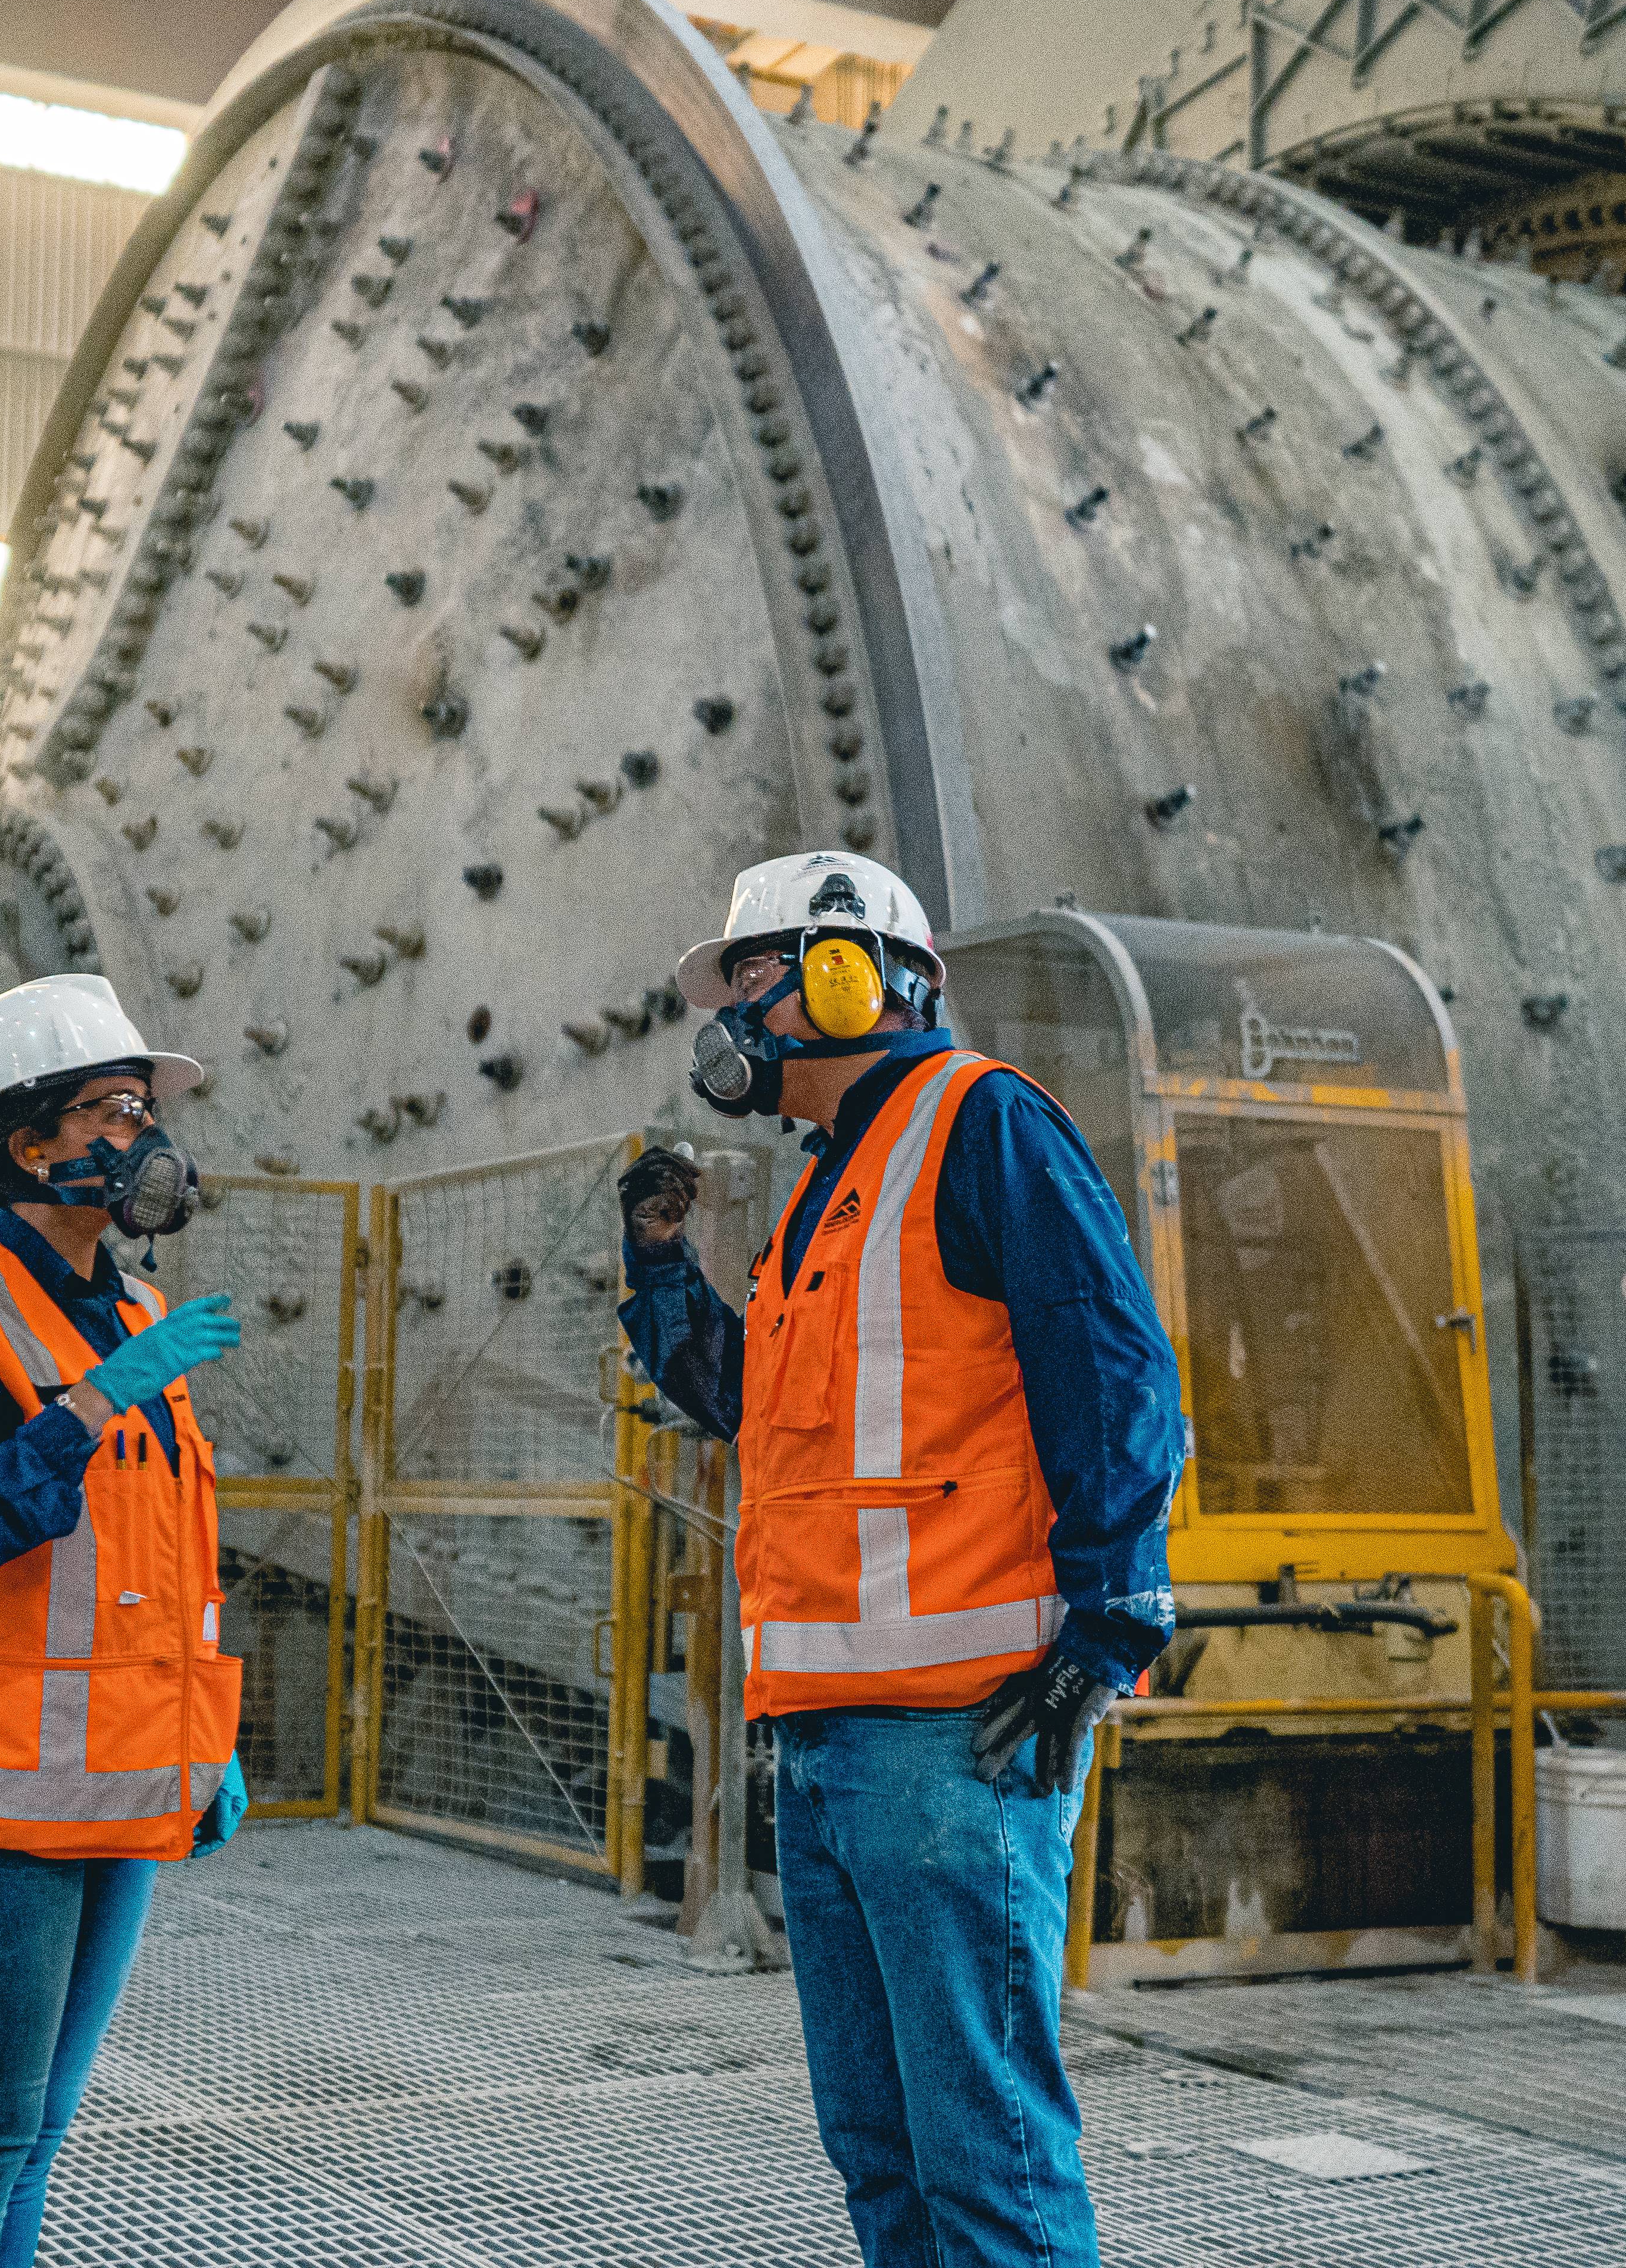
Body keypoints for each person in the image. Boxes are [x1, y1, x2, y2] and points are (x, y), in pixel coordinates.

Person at [615, 850, 1183, 2268]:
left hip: (960, 1739)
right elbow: (764, 1408)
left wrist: (1107, 1631)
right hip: (829, 1740)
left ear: (844, 973)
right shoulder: (832, 1188)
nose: (731, 1020)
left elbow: (1116, 1366)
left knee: (983, 2159)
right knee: (884, 2156)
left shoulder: (979, 1124)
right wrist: (662, 1269)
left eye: (749, 981)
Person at [0, 971, 249, 2268]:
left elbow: (171, 1556)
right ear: (25, 1143)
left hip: (119, 1785)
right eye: (110, 1109)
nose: (141, 1138)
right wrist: (90, 1403)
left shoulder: (134, 1313)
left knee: (38, 2133)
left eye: (143, 1110)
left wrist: (209, 1737)